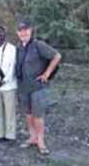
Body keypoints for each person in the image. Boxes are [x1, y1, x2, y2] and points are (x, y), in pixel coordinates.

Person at [15, 19, 61, 155]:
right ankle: (32, 137)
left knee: (38, 115)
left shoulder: (38, 45)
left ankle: (41, 140)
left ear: (31, 30)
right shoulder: (18, 48)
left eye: (26, 30)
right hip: (23, 87)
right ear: (17, 33)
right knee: (28, 114)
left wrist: (47, 73)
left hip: (38, 87)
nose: (23, 33)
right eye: (20, 31)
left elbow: (57, 56)